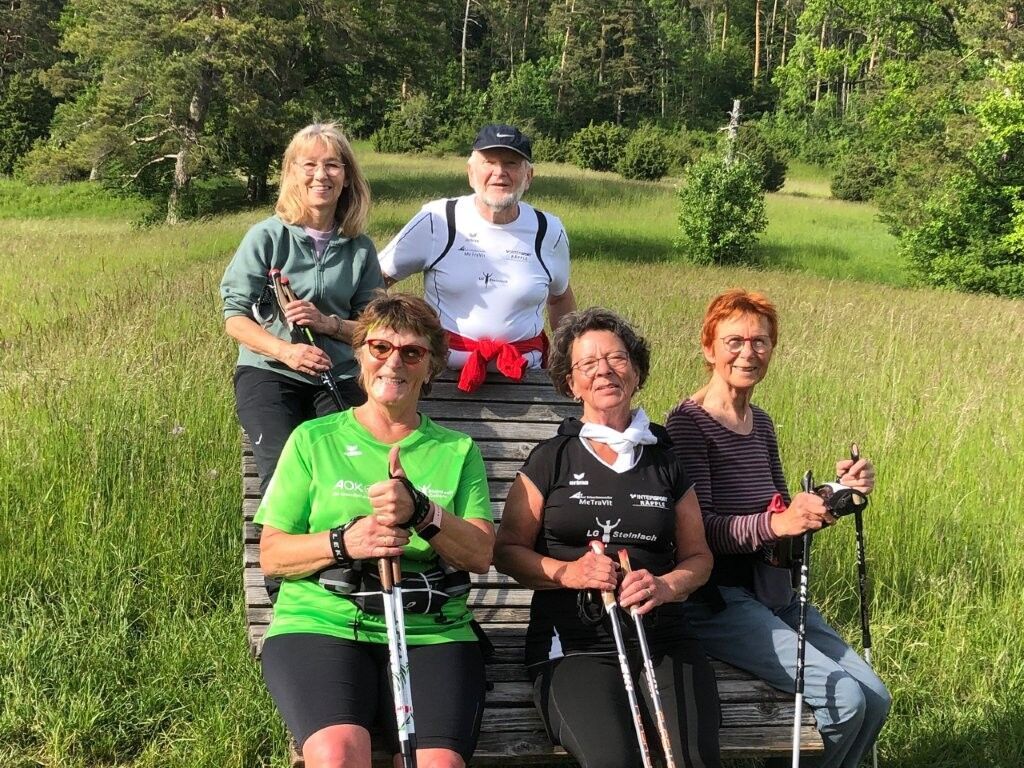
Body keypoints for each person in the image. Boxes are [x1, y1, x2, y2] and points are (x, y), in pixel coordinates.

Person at [255, 293, 495, 768]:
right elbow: (273, 555)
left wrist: (422, 512)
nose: (394, 362)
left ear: (430, 368)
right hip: (323, 621)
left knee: (440, 765)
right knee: (338, 754)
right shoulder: (313, 439)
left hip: (431, 629)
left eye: (412, 352)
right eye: (380, 347)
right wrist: (345, 542)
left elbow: (480, 553)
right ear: (360, 355)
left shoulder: (457, 449)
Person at [664, 289, 890, 768]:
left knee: (875, 698)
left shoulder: (760, 423)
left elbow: (782, 517)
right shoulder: (689, 425)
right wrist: (780, 522)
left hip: (775, 589)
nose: (748, 353)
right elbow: (698, 531)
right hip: (717, 599)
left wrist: (836, 493)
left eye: (761, 342)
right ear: (708, 348)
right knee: (844, 700)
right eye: (734, 341)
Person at [494, 307, 722, 768]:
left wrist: (665, 585)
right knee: (616, 759)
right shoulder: (550, 459)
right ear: (570, 383)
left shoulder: (665, 461)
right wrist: (567, 572)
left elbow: (699, 557)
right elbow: (507, 551)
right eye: (587, 364)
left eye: (617, 358)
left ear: (636, 372)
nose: (604, 370)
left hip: (663, 637)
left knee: (693, 760)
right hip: (573, 643)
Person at [221, 122, 384, 495]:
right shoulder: (267, 236)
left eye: (332, 165)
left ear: (346, 177)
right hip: (270, 374)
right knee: (284, 479)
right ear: (291, 173)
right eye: (307, 165)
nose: (320, 175)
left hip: (339, 375)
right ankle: (282, 551)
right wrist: (287, 352)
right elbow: (235, 317)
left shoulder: (360, 248)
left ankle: (346, 550)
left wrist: (328, 324)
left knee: (350, 474)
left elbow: (372, 327)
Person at [378, 123, 576, 392]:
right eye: (488, 162)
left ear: (529, 176)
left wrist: (571, 358)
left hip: (526, 380)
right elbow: (376, 278)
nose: (499, 173)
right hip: (439, 378)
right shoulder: (439, 219)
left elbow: (560, 297)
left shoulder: (548, 230)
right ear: (470, 172)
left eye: (511, 163)